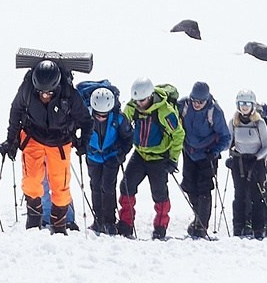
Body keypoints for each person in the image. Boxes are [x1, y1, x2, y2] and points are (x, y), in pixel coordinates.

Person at [10, 56, 87, 232]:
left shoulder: (69, 94)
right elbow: (15, 112)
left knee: (60, 186)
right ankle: (33, 221)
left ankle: (59, 226)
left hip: (60, 141)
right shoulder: (27, 90)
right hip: (33, 137)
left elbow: (85, 120)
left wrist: (85, 142)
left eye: (49, 93)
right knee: (31, 181)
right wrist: (11, 139)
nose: (44, 96)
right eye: (41, 92)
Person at [122, 79, 185, 241]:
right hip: (140, 154)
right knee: (126, 186)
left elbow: (178, 134)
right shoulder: (133, 106)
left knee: (159, 193)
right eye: (136, 100)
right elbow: (124, 119)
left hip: (159, 158)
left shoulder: (165, 111)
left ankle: (160, 226)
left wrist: (173, 159)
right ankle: (125, 223)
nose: (139, 104)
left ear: (150, 96)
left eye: (142, 101)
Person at [226, 92, 267, 239]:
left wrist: (256, 158)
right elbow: (228, 142)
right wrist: (230, 155)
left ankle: (258, 228)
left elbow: (266, 146)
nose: (244, 107)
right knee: (239, 195)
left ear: (252, 105)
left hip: (256, 163)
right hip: (239, 162)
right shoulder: (233, 122)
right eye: (241, 104)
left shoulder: (260, 123)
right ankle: (238, 226)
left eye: (247, 104)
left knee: (256, 195)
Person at [178, 81, 230, 237]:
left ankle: (201, 226)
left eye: (200, 101)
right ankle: (197, 218)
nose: (196, 104)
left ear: (207, 99)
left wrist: (214, 152)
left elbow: (226, 137)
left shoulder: (215, 112)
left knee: (204, 189)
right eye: (194, 100)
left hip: (207, 155)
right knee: (189, 186)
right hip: (189, 152)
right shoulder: (184, 105)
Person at [79, 81, 131, 236]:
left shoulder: (118, 118)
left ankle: (109, 221)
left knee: (108, 187)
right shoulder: (85, 116)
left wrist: (121, 153)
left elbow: (128, 138)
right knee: (95, 186)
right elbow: (74, 130)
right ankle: (98, 220)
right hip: (93, 156)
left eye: (104, 115)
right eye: (98, 114)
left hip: (111, 156)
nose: (101, 117)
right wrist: (79, 145)